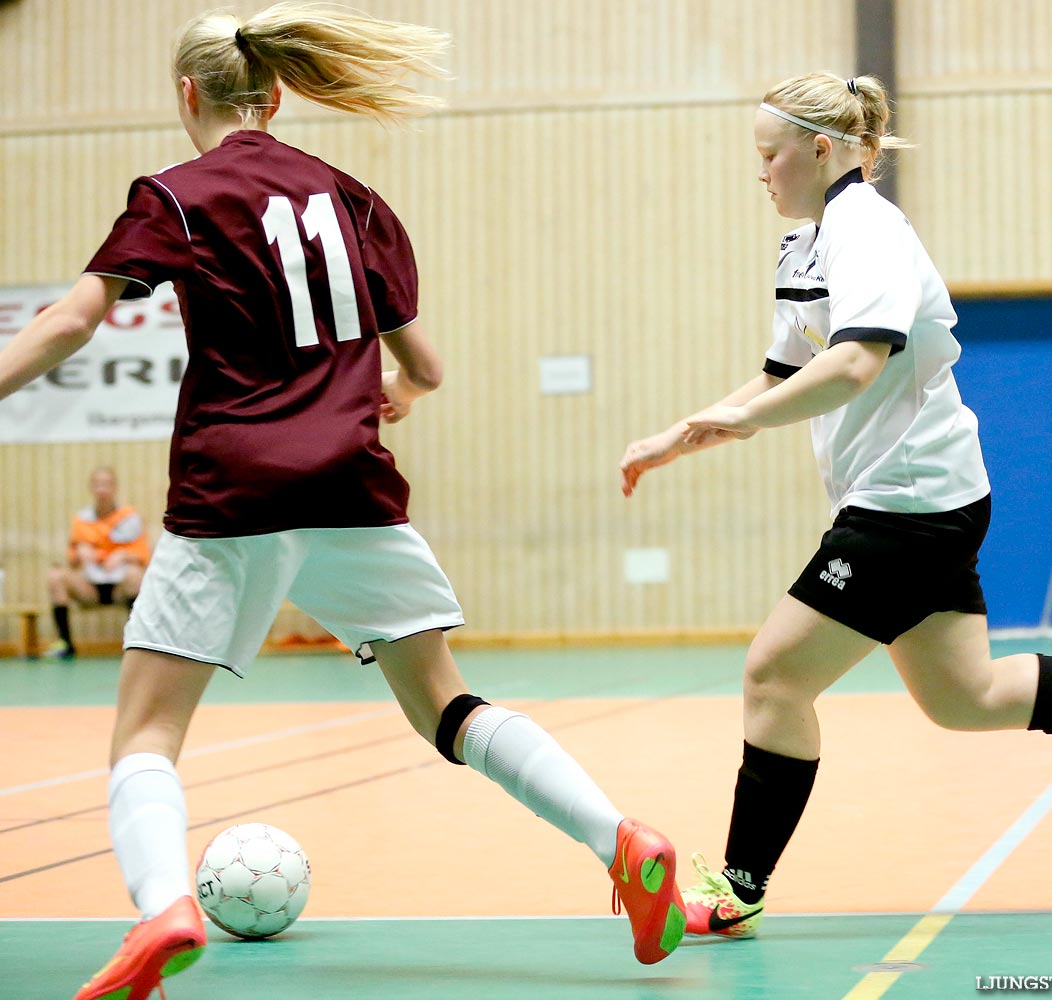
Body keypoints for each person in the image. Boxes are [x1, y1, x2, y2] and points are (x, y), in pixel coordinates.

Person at [0, 6, 685, 997]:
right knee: (445, 702)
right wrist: (390, 392)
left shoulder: (177, 196)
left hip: (231, 486)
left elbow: (72, 319)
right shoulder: (352, 197)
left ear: (186, 95)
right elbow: (427, 366)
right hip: (352, 488)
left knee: (147, 732)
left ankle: (162, 910)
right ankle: (620, 837)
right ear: (275, 94)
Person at [618, 71, 1052, 940]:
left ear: (819, 148)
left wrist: (735, 419)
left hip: (907, 503)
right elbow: (779, 375)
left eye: (767, 155)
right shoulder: (804, 245)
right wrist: (679, 435)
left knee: (773, 676)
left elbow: (852, 364)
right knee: (964, 696)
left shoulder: (867, 229)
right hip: (922, 498)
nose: (758, 172)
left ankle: (736, 887)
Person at [45, 466, 150, 660]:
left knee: (135, 575)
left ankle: (137, 642)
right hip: (90, 587)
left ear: (115, 488)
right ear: (91, 488)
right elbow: (72, 561)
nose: (102, 489)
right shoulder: (82, 521)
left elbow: (142, 555)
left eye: (107, 484)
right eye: (98, 485)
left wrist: (123, 555)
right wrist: (80, 553)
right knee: (56, 576)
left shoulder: (129, 518)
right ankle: (65, 643)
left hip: (120, 586)